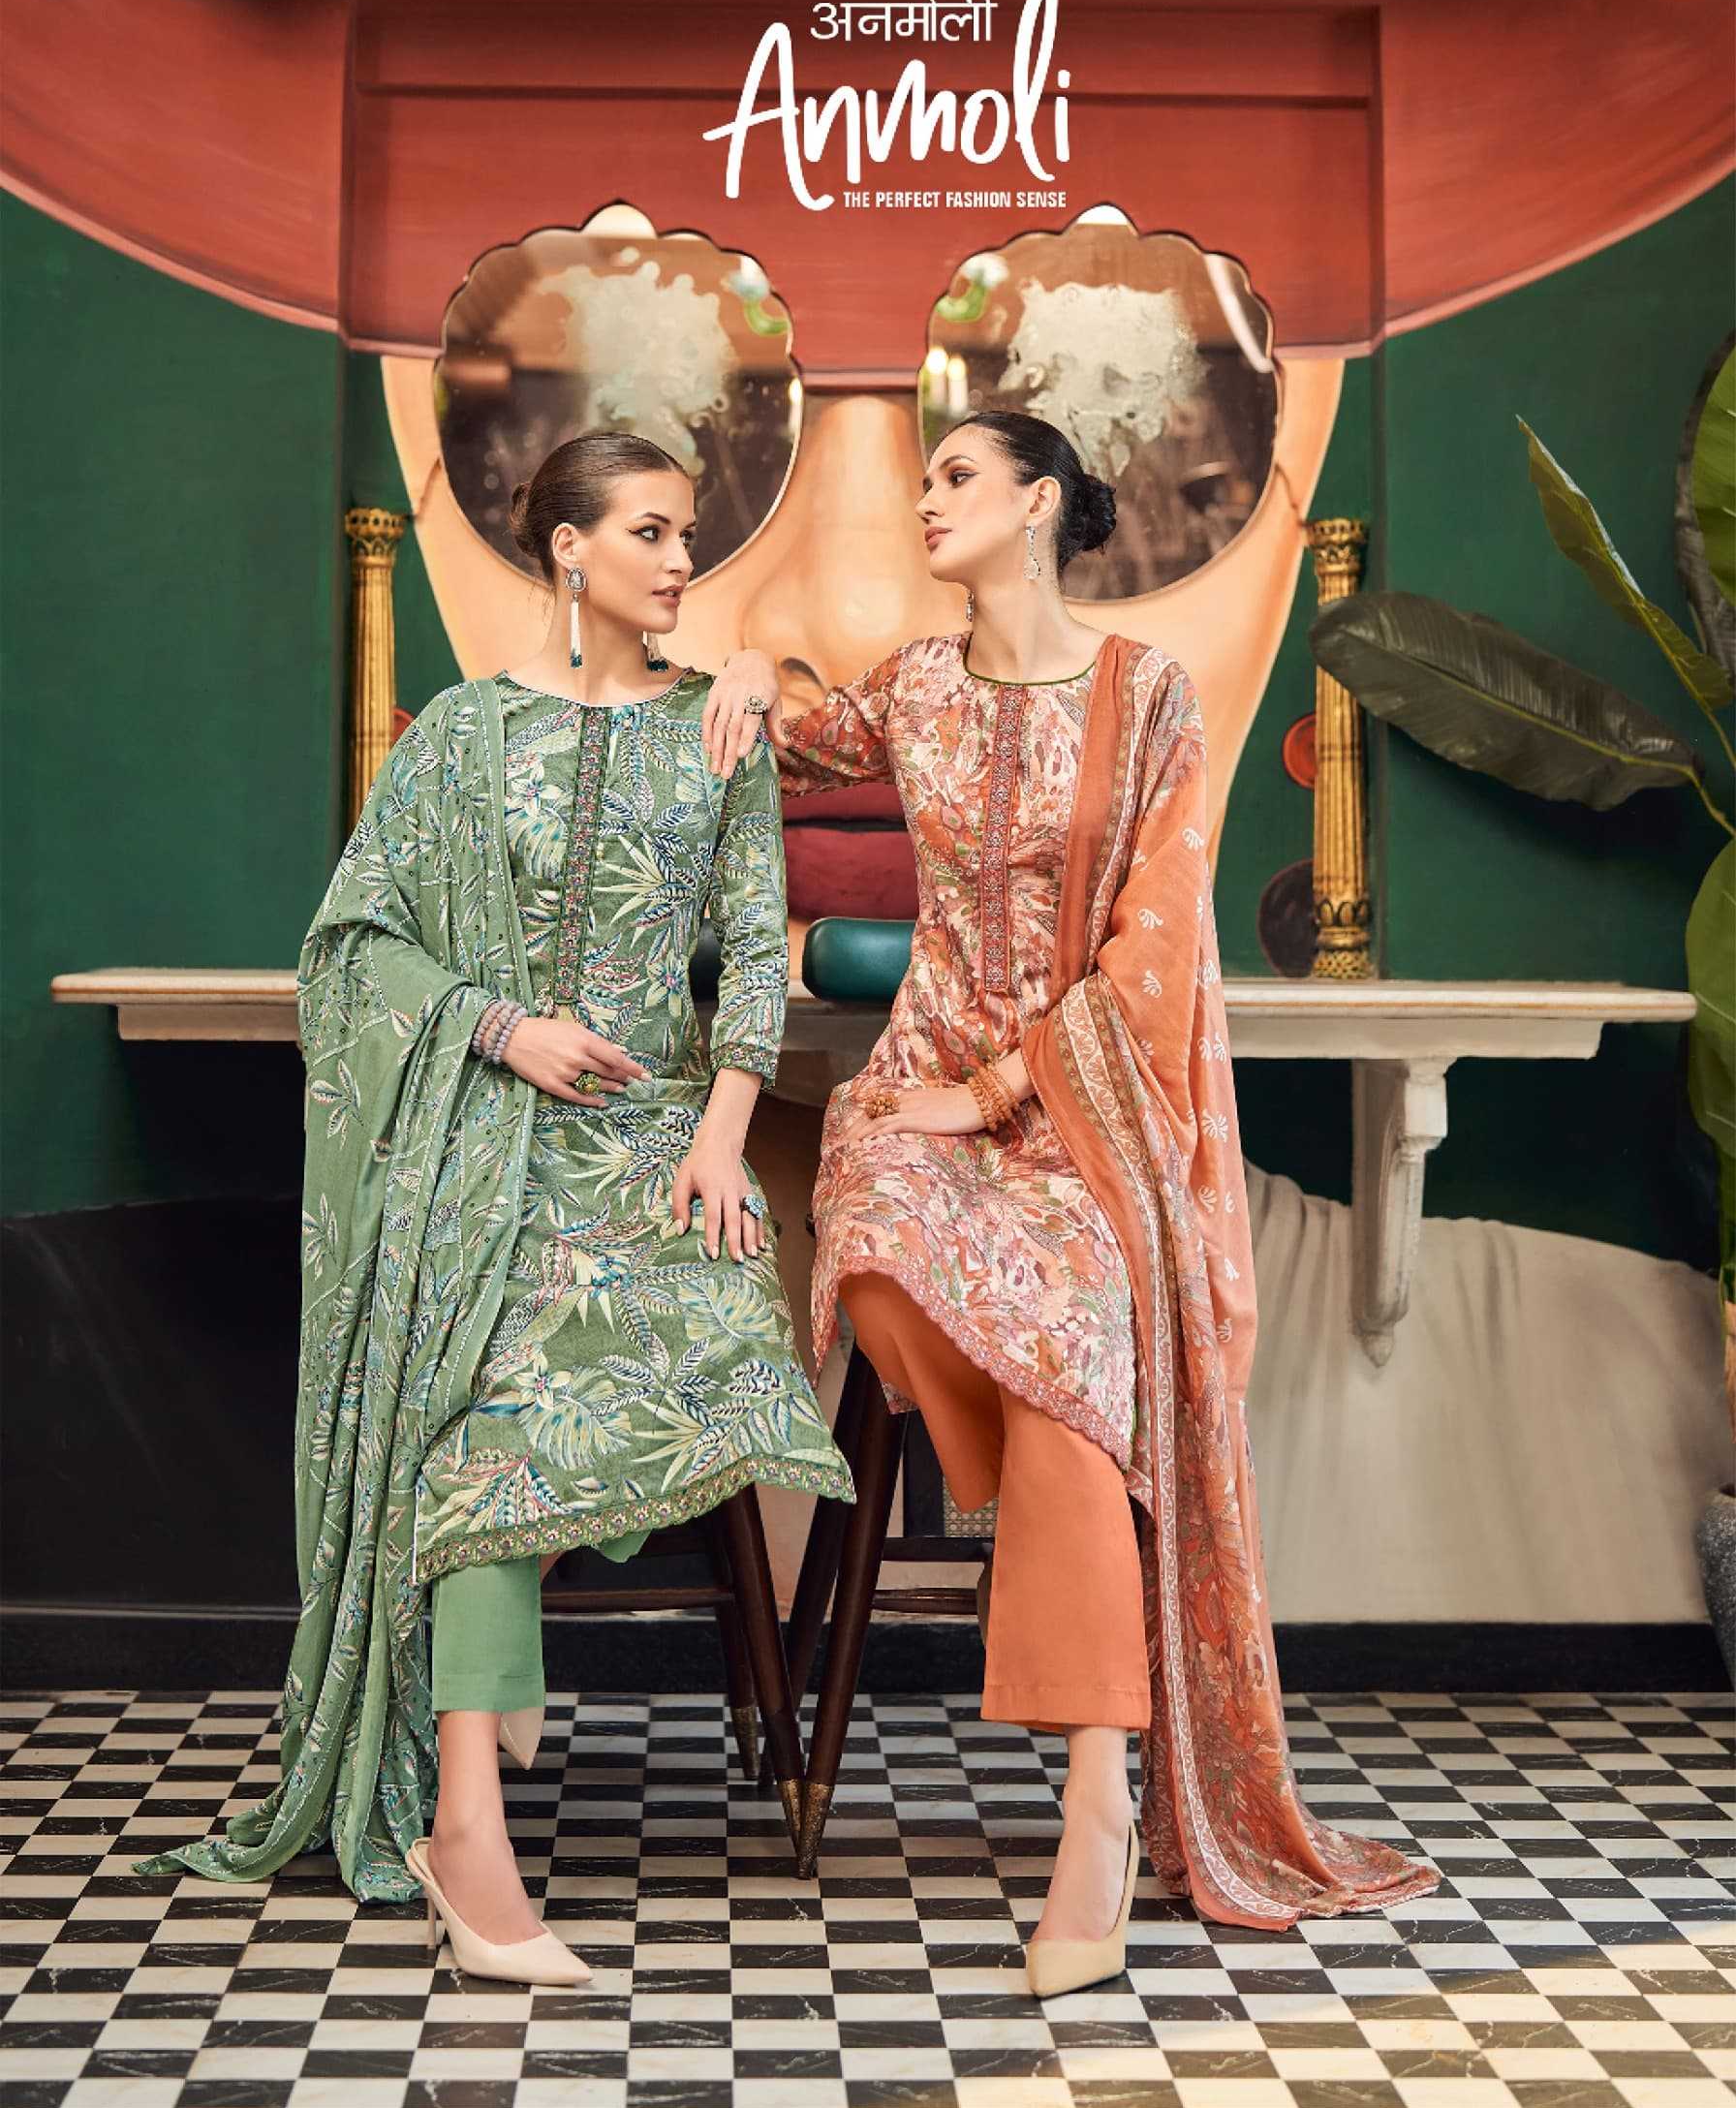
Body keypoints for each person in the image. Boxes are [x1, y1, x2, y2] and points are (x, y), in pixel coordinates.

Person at [704, 408, 1439, 1996]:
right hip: (915, 1093)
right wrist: (751, 669)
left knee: (1069, 1356)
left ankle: (1099, 1807)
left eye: (957, 477)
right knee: (884, 1265)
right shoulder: (913, 686)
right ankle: (1064, 1505)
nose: (926, 500)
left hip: (1081, 1117)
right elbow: (779, 752)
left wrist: (1000, 1092)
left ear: (1039, 504)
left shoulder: (1150, 695)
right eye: (925, 481)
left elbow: (1159, 945)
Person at [137, 429, 853, 1986]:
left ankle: (493, 1691)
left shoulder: (718, 730)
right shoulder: (462, 736)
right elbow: (352, 947)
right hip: (483, 1150)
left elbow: (753, 955)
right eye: (651, 532)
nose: (681, 560)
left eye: (689, 535)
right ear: (568, 549)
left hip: (657, 1145)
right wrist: (499, 1026)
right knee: (488, 1402)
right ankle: (468, 1823)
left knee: (697, 1340)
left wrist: (723, 1138)